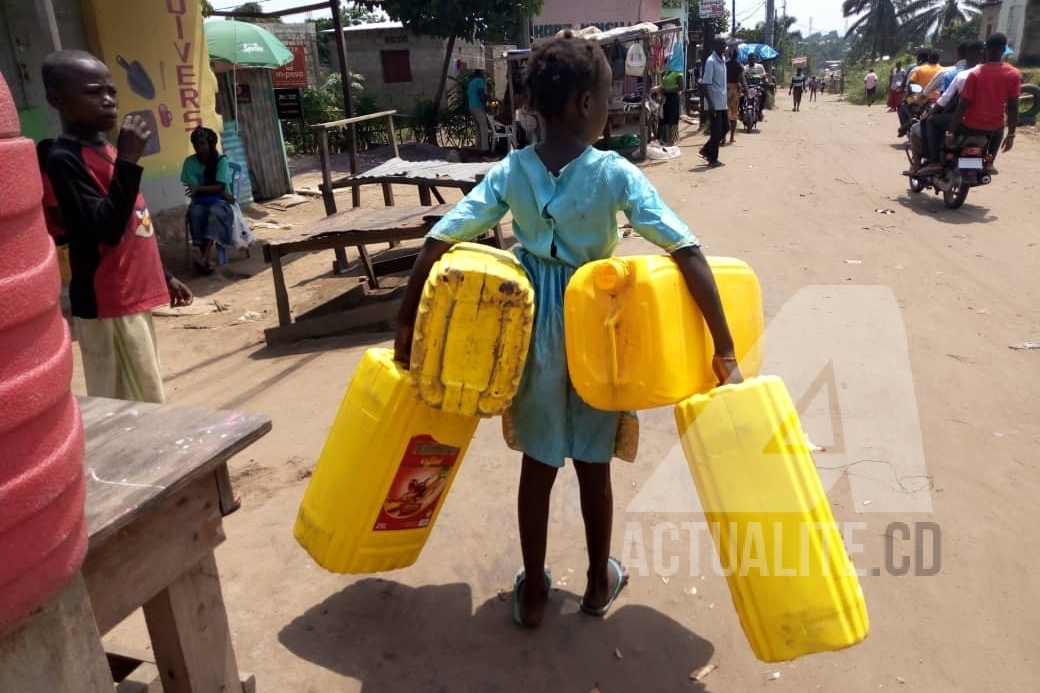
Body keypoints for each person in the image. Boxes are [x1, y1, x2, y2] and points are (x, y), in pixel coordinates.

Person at [392, 32, 742, 630]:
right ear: (585, 103)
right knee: (593, 468)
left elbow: (439, 238)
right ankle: (596, 583)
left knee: (538, 465)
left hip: (529, 335)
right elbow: (687, 251)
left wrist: (406, 324)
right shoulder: (614, 174)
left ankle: (531, 595)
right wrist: (724, 348)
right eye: (607, 98)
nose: (609, 108)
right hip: (600, 335)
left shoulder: (514, 170)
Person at [42, 49, 192, 404]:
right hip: (107, 299)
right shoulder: (63, 160)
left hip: (131, 296)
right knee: (121, 402)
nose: (108, 100)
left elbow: (133, 221)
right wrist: (128, 160)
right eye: (94, 92)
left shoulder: (107, 150)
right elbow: (103, 228)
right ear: (57, 99)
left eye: (111, 91)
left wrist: (164, 274)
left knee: (147, 391)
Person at [922, 34, 1021, 177]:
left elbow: (962, 105)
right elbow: (1013, 107)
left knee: (931, 121)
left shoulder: (975, 74)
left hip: (968, 124)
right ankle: (990, 161)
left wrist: (951, 131)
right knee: (1000, 124)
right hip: (992, 127)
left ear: (985, 51)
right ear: (1003, 50)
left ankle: (934, 162)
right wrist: (1011, 134)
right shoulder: (1014, 74)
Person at [912, 41, 985, 176]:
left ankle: (933, 162)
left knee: (929, 122)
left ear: (960, 55)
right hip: (987, 123)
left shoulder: (952, 73)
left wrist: (931, 114)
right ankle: (988, 163)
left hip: (959, 118)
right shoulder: (996, 75)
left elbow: (945, 100)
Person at [181, 126, 234, 274]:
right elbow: (195, 191)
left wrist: (199, 189)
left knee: (213, 212)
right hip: (201, 201)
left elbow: (220, 187)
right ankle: (205, 259)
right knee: (194, 213)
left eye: (202, 143)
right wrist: (200, 190)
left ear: (210, 144)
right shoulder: (190, 162)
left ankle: (205, 258)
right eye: (196, 144)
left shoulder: (220, 161)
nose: (199, 147)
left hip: (220, 202)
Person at [698, 37, 729, 167]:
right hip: (714, 102)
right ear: (715, 45)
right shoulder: (711, 61)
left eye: (725, 44)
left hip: (722, 101)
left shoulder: (722, 60)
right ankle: (713, 159)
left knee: (725, 128)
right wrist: (710, 104)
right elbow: (705, 84)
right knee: (716, 132)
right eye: (722, 44)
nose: (724, 46)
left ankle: (706, 150)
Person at [725, 48, 747, 144]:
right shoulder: (739, 66)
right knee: (734, 115)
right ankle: (731, 137)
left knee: (725, 113)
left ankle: (723, 137)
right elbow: (742, 79)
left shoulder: (725, 65)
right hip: (735, 89)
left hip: (725, 89)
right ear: (737, 56)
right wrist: (746, 89)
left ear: (729, 55)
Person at [658, 68, 684, 146]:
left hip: (673, 98)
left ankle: (672, 140)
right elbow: (662, 85)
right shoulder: (664, 72)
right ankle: (664, 139)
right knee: (663, 117)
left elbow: (681, 87)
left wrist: (668, 90)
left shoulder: (677, 73)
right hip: (665, 98)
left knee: (672, 119)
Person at [468, 69, 489, 152]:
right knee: (484, 128)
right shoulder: (480, 81)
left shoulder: (471, 82)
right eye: (483, 74)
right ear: (480, 74)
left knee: (478, 128)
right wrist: (485, 105)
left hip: (471, 107)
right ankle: (485, 149)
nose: (484, 75)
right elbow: (481, 94)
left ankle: (478, 146)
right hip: (478, 106)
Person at [744, 53, 767, 122]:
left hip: (757, 87)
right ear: (748, 60)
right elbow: (742, 77)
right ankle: (741, 111)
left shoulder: (760, 67)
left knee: (763, 95)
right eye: (750, 59)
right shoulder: (745, 68)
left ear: (755, 59)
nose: (752, 60)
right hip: (747, 88)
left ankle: (760, 111)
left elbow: (764, 77)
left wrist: (766, 82)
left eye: (753, 59)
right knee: (741, 97)